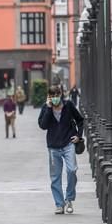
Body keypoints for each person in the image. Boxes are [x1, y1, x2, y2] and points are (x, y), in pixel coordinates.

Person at [38, 85, 84, 215]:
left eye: (57, 95)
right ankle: (59, 204)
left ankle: (69, 199)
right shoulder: (46, 107)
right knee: (55, 177)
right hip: (53, 147)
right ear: (49, 97)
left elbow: (80, 120)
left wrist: (79, 135)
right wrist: (48, 108)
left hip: (68, 144)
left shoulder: (68, 105)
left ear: (61, 94)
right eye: (52, 96)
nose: (55, 98)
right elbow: (42, 125)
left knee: (72, 170)